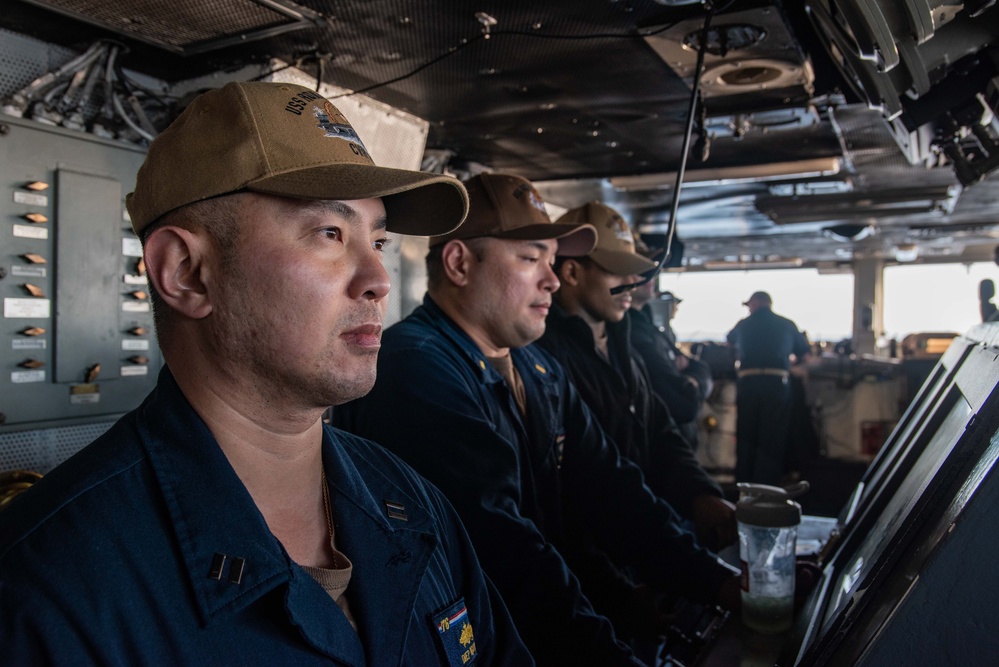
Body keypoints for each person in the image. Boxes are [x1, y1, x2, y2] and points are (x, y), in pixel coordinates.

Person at [0, 81, 531, 666]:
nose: (377, 277)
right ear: (186, 272)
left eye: (377, 239)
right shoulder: (46, 589)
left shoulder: (412, 502)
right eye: (330, 234)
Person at [335, 173, 741, 666]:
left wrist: (717, 581)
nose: (551, 278)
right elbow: (506, 553)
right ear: (459, 263)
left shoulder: (537, 366)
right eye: (531, 259)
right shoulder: (417, 368)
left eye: (551, 260)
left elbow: (611, 488)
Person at [540, 202, 734, 552]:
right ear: (571, 273)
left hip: (647, 538)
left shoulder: (621, 340)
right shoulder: (545, 355)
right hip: (596, 555)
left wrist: (700, 493)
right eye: (618, 271)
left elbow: (659, 426)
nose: (633, 282)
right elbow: (581, 481)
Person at [726, 291, 811, 485]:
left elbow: (728, 344)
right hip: (776, 383)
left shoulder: (743, 324)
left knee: (746, 435)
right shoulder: (787, 324)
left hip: (748, 383)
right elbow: (805, 357)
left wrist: (736, 361)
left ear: (755, 304)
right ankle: (767, 486)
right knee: (772, 437)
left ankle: (743, 485)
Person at [629, 285, 713, 452]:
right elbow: (684, 404)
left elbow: (701, 368)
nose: (651, 278)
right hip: (661, 448)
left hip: (681, 442)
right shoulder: (635, 334)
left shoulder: (654, 331)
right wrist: (688, 383)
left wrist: (693, 381)